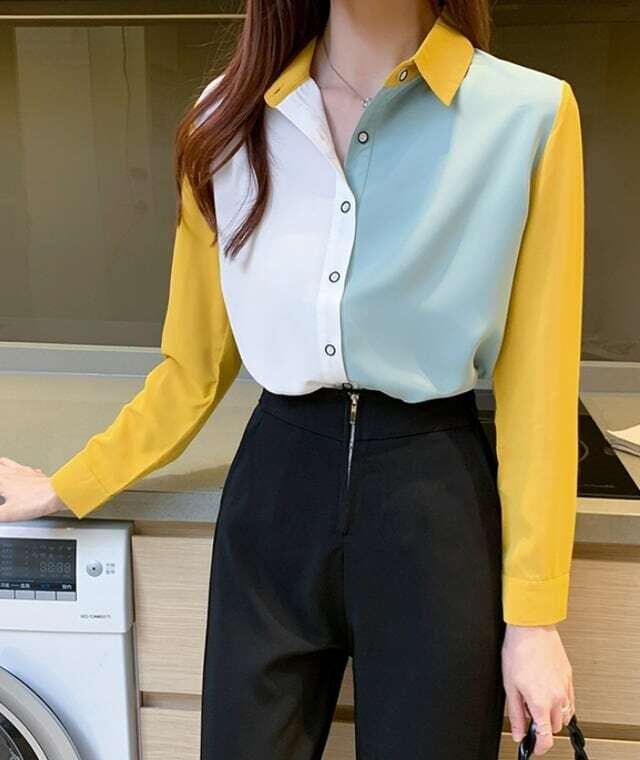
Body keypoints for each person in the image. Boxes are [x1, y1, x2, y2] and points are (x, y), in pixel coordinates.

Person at [0, 0, 584, 757]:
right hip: (275, 492)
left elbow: (539, 391)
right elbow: (191, 368)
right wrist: (69, 485)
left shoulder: (529, 115)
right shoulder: (226, 116)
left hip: (432, 503)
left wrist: (534, 619)